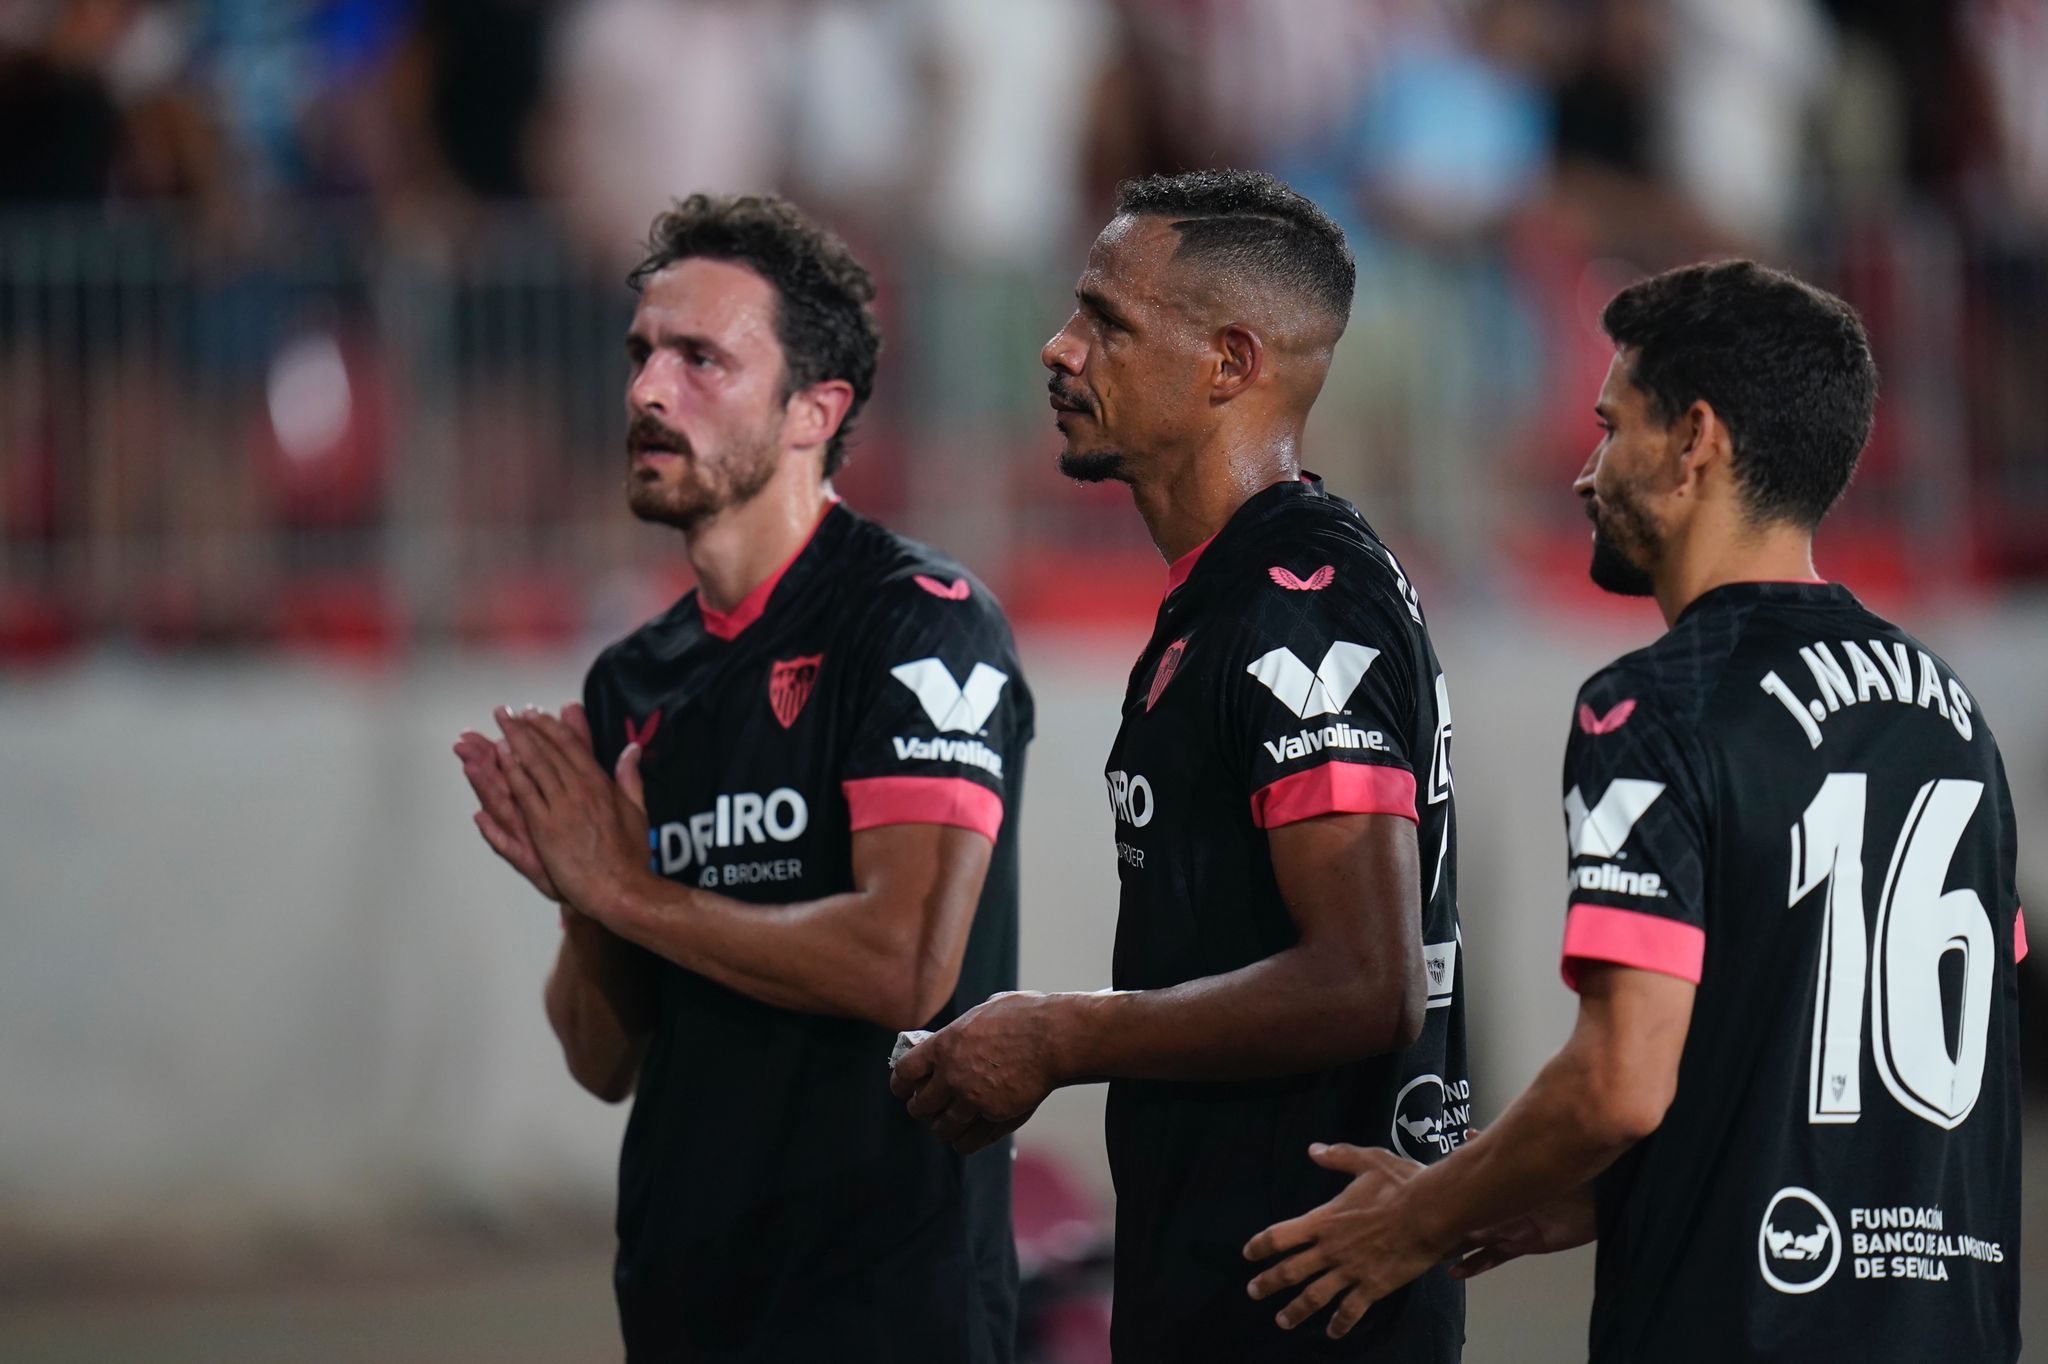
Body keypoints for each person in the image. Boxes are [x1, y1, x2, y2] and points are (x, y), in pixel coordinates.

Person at [1244, 260, 2024, 1361]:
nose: (1583, 471)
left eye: (1611, 426)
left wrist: (1414, 1217)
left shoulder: (1652, 704)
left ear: (1692, 438)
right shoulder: (1952, 717)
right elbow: (1826, 1058)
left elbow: (1617, 1080)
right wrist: (1586, 1195)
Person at [891, 169, 1469, 1362]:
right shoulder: (1234, 592)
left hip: (1304, 1310)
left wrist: (1059, 1035)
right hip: (1231, 1286)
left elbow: (1370, 976)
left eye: (1106, 319)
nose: (1058, 349)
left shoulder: (1299, 604)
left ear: (1227, 364)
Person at [452, 192, 1033, 1362]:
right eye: (640, 354)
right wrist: (583, 897)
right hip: (686, 1295)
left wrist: (624, 891)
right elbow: (603, 1059)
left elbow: (905, 959)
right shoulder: (634, 678)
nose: (645, 393)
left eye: (700, 358)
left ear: (814, 409)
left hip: (885, 1307)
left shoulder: (920, 625)